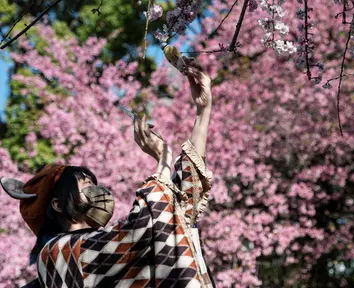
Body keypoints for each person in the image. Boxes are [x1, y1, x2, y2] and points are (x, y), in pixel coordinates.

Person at [0, 60, 216, 287]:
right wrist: (163, 159)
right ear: (58, 204)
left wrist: (203, 112)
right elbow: (142, 228)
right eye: (85, 184)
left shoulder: (109, 247)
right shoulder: (55, 254)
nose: (97, 190)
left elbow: (178, 211)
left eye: (94, 183)